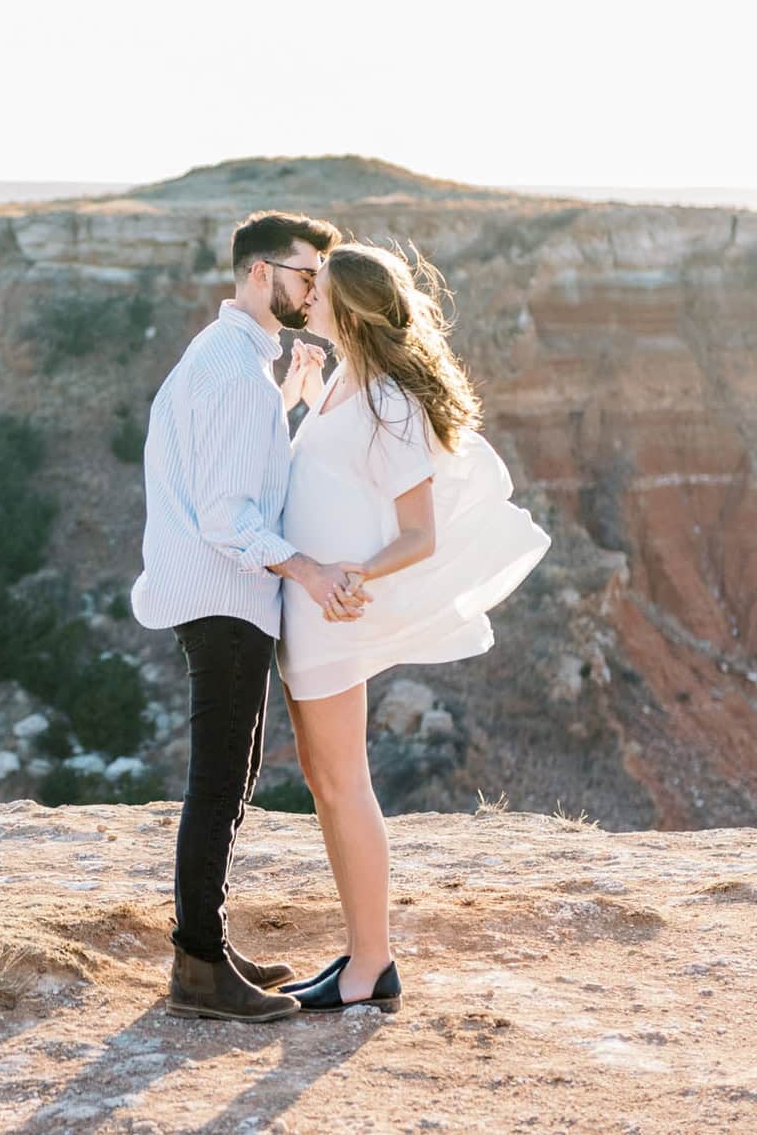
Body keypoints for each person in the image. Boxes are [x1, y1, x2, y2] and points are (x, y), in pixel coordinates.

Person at [271, 241, 551, 1014]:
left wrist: (354, 575)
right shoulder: (340, 386)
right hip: (310, 608)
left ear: (351, 306)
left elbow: (417, 534)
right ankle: (362, 951)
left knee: (342, 783)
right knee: (326, 783)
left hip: (334, 613)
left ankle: (371, 964)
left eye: (320, 288)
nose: (308, 296)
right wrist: (297, 401)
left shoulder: (389, 400)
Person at [130, 209, 367, 1023]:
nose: (315, 291)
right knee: (217, 784)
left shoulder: (235, 362)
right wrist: (311, 571)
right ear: (260, 273)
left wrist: (290, 405)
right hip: (226, 600)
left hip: (225, 600)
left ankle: (209, 945)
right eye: (307, 275)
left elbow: (240, 487)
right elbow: (232, 521)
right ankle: (197, 965)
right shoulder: (233, 372)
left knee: (228, 784)